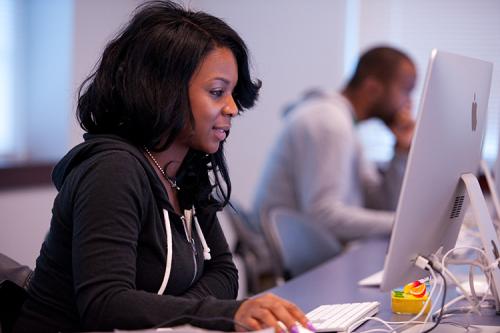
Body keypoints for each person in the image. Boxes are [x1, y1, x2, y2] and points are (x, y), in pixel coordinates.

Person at [12, 2, 313, 332]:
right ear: (162, 90)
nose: (231, 108)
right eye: (217, 92)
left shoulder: (186, 168)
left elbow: (225, 272)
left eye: (231, 93)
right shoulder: (112, 171)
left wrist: (180, 318)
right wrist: (218, 313)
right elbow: (105, 303)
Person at [253, 46, 417, 244]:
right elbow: (322, 217)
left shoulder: (347, 124)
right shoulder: (329, 123)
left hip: (315, 254)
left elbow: (382, 204)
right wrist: (406, 225)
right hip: (287, 265)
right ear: (373, 88)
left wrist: (400, 151)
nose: (409, 104)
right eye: (405, 91)